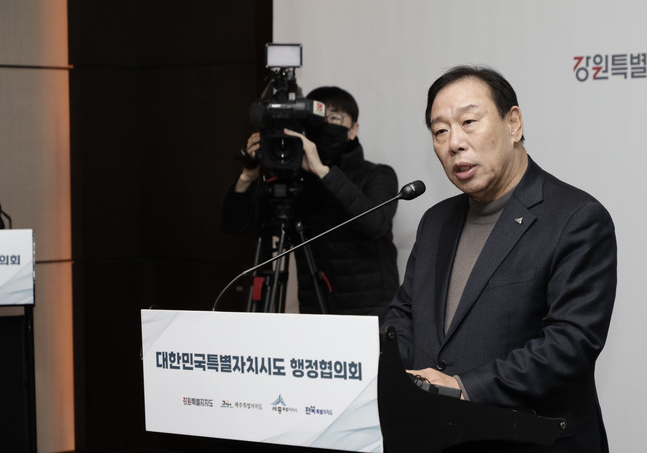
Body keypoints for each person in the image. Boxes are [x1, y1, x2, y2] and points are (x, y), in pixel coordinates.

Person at [381, 66, 617, 452]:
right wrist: (399, 374)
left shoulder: (575, 218)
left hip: (529, 441)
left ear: (513, 124)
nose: (454, 142)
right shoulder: (436, 221)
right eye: (440, 131)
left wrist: (463, 387)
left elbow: (570, 344)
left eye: (469, 122)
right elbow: (404, 315)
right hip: (438, 439)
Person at [220, 86, 400, 316]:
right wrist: (248, 175)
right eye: (318, 119)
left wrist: (323, 172)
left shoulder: (377, 175)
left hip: (371, 311)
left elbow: (376, 223)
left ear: (353, 129)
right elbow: (234, 224)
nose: (325, 125)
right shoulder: (296, 182)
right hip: (315, 311)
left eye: (334, 118)